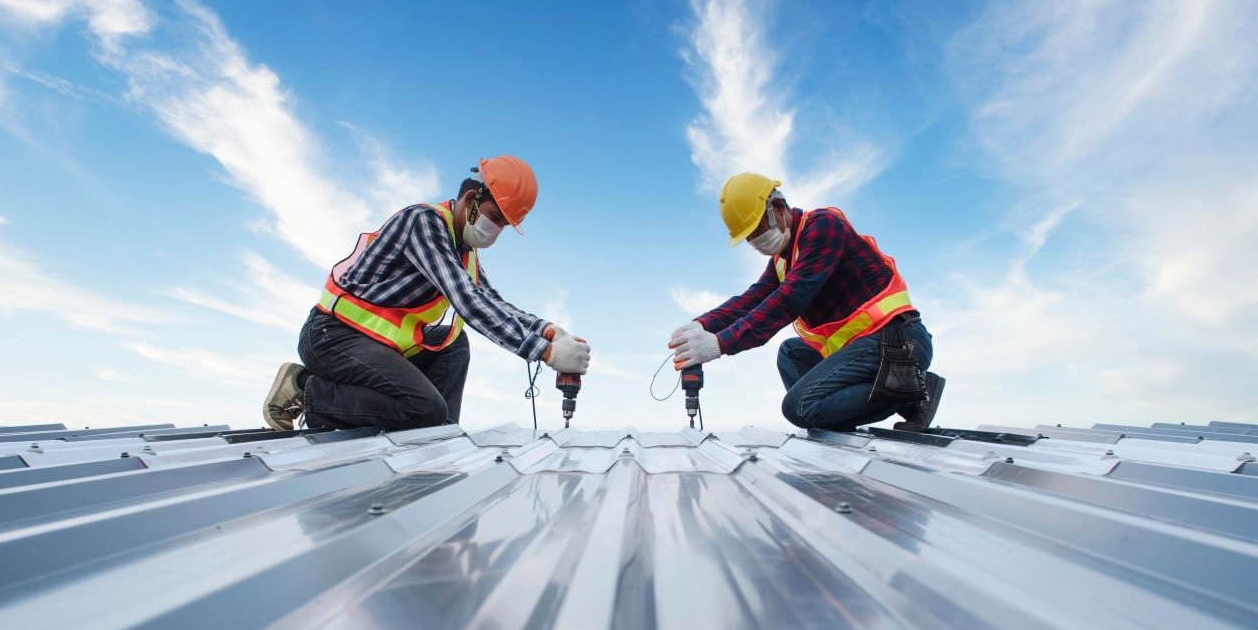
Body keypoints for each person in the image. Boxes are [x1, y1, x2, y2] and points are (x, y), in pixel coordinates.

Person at [262, 156, 590, 431]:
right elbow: (468, 303)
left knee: (452, 342)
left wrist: (548, 330)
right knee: (421, 407)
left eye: (504, 225)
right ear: (472, 198)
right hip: (331, 337)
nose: (495, 230)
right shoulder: (425, 223)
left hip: (375, 345)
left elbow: (492, 302)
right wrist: (545, 352)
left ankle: (438, 436)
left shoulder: (464, 253)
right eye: (493, 217)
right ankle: (305, 388)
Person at [669, 172, 942, 432]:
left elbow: (790, 299)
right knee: (791, 352)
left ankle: (911, 392)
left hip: (898, 343)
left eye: (756, 229)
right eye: (748, 237)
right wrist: (701, 324)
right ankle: (836, 421)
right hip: (866, 346)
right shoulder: (782, 261)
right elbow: (749, 301)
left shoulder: (824, 226)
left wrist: (721, 343)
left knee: (800, 407)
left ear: (778, 207)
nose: (755, 240)